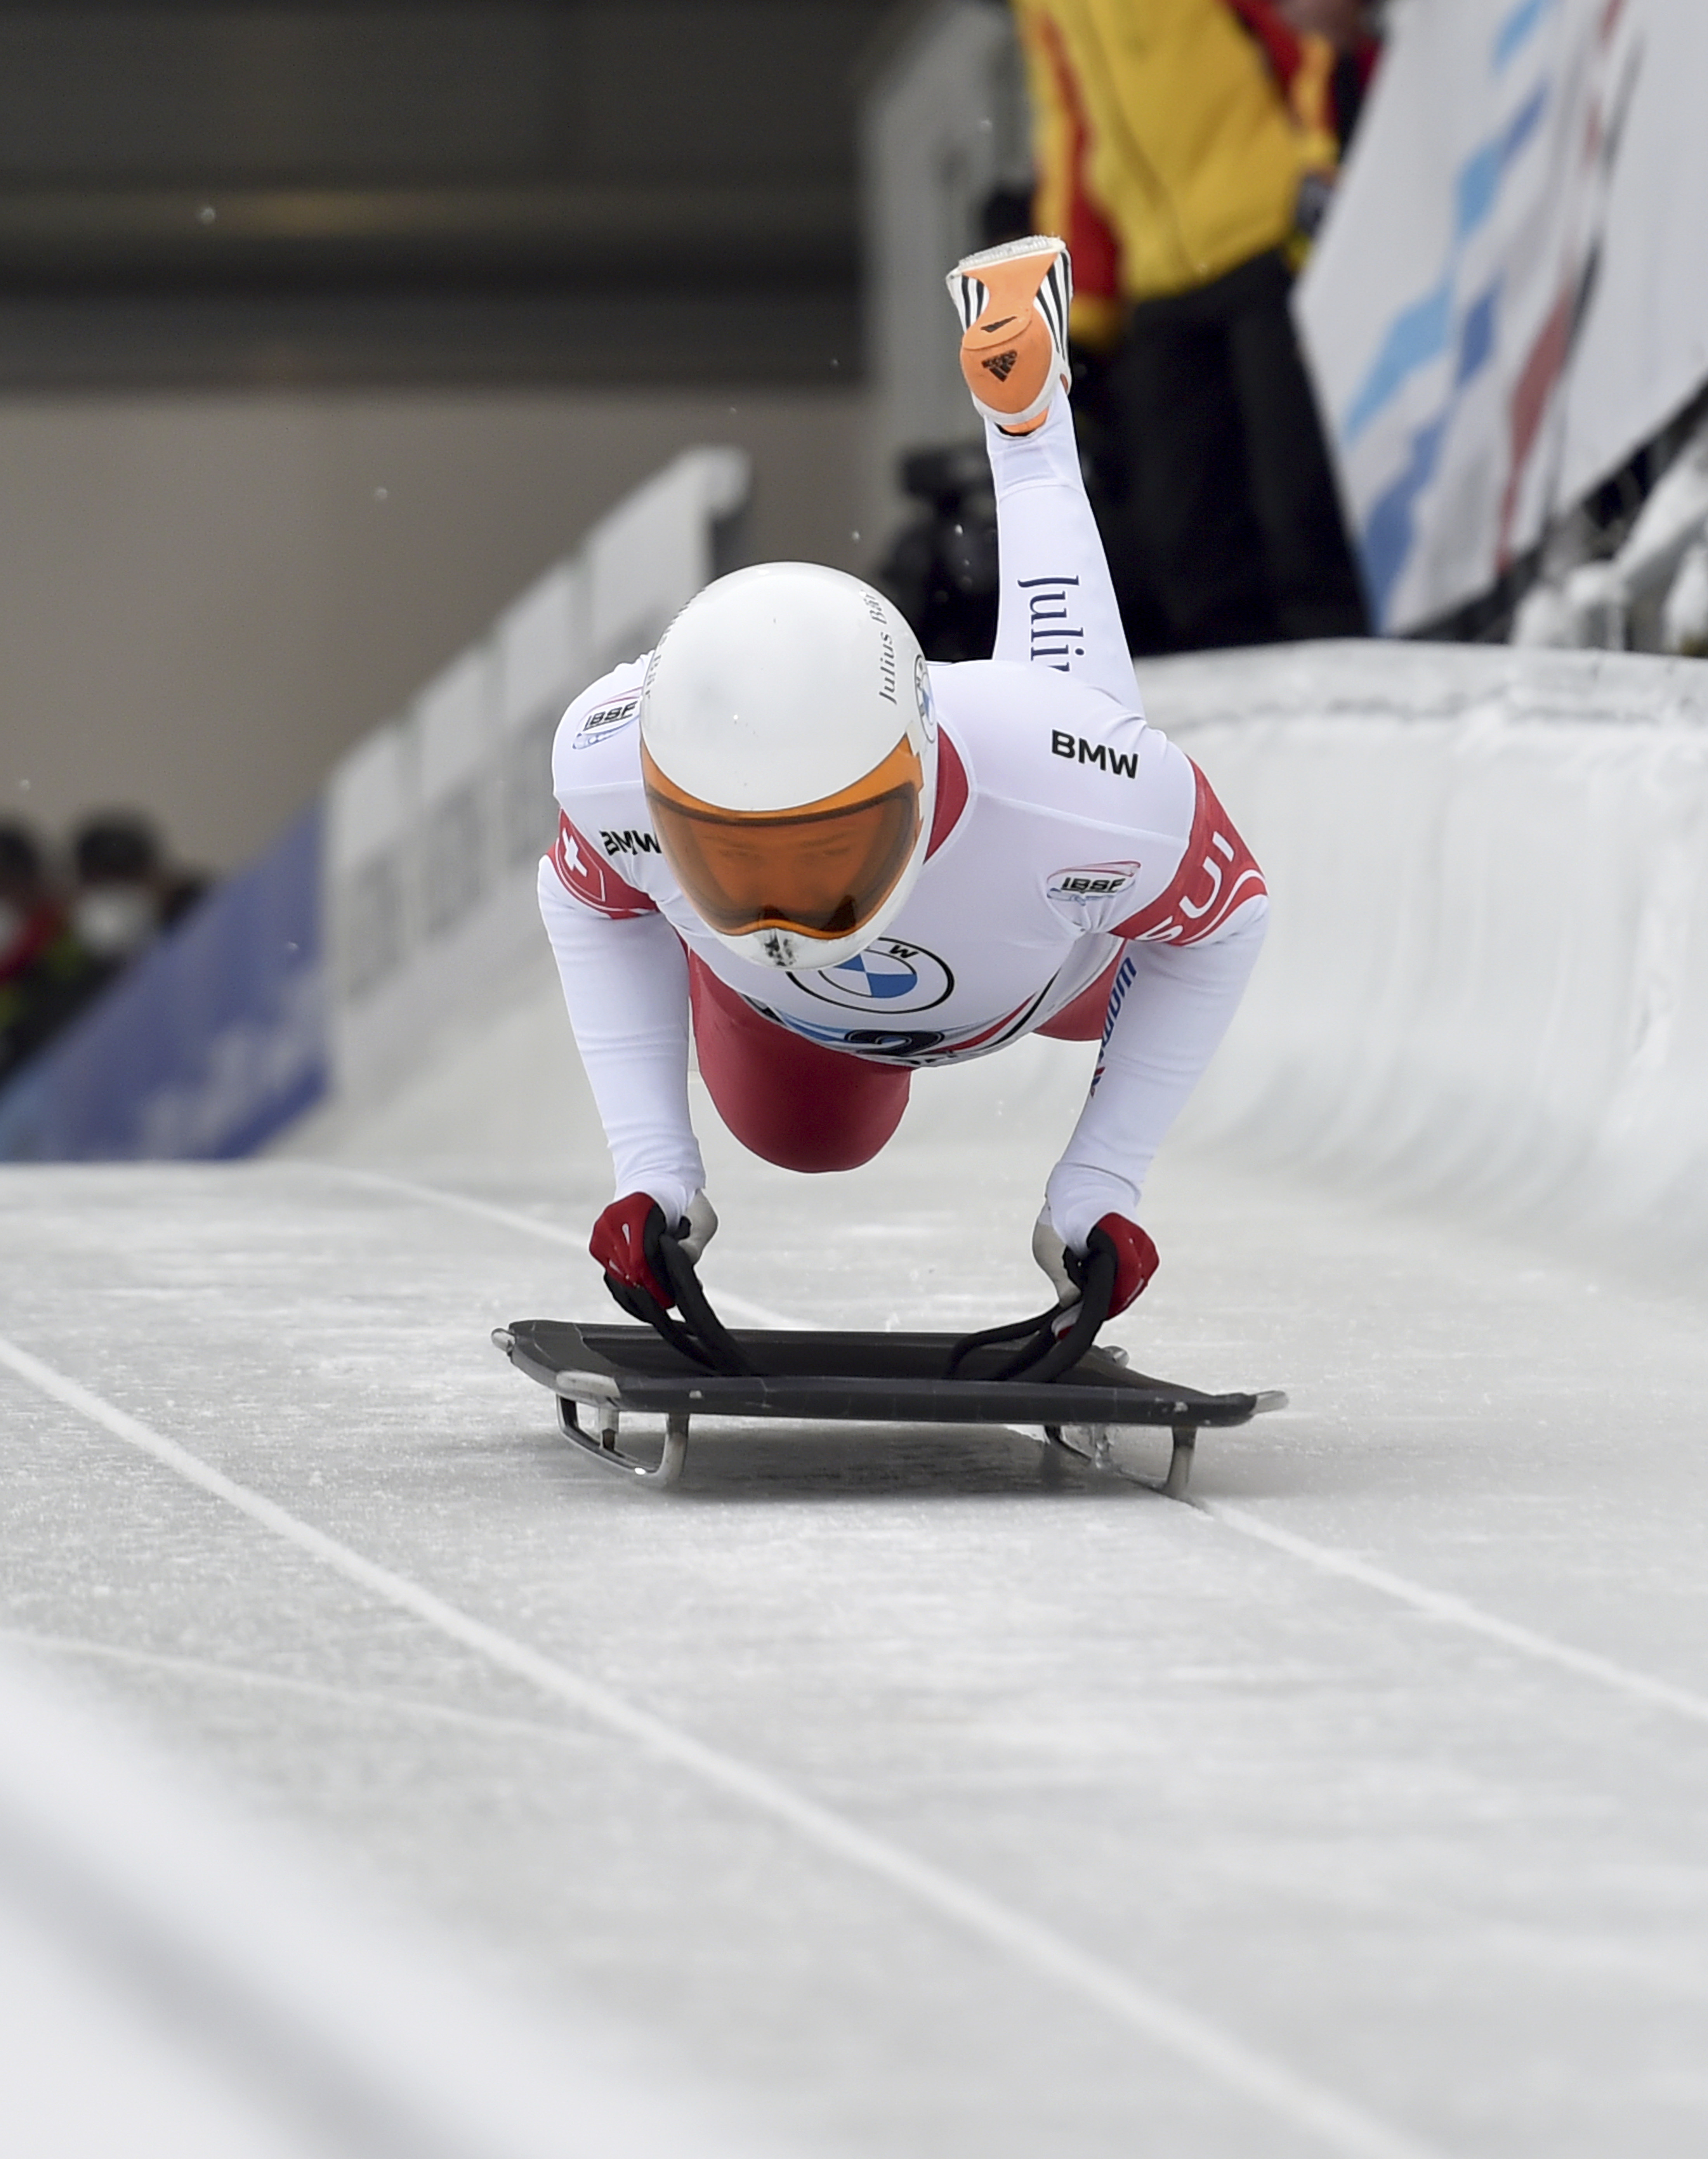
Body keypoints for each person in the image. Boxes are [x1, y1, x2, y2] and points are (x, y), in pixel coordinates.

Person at [540, 236, 1268, 1323]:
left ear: (920, 779)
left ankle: (1029, 436)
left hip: (1058, 964)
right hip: (851, 1013)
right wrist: (653, 1178)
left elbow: (1222, 920)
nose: (788, 912)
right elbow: (587, 902)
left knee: (1083, 740)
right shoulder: (610, 770)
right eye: (732, 855)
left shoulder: (1069, 784)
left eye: (828, 849)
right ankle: (1024, 433)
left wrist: (1100, 1185)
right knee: (810, 1138)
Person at [1014, 0, 1370, 651]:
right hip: (1157, 280)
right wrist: (1078, 313)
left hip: (1271, 238)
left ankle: (1343, 679)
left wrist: (1319, 159)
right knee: (1186, 538)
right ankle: (1237, 719)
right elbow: (1070, 135)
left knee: (1302, 508)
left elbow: (1304, 38)